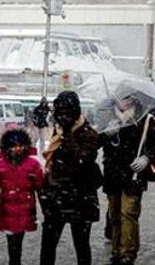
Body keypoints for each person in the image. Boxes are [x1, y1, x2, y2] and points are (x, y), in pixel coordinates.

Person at [99, 96, 155, 265]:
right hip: (113, 173)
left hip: (134, 173)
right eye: (122, 97)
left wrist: (146, 157)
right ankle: (116, 249)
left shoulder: (144, 118)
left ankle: (128, 252)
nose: (125, 101)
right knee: (114, 213)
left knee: (129, 212)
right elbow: (98, 143)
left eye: (129, 97)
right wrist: (107, 134)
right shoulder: (108, 117)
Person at [39, 91, 102, 265]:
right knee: (48, 245)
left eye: (67, 112)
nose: (62, 117)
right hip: (56, 196)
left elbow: (81, 161)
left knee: (81, 245)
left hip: (80, 196)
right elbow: (54, 165)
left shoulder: (89, 134)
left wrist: (68, 135)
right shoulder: (57, 132)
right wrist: (45, 194)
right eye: (59, 113)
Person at [0, 127, 43, 265]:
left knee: (18, 238)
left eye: (20, 145)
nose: (18, 149)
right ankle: (14, 261)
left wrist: (46, 204)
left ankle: (15, 261)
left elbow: (40, 187)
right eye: (14, 146)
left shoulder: (33, 164)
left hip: (26, 208)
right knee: (12, 241)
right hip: (8, 208)